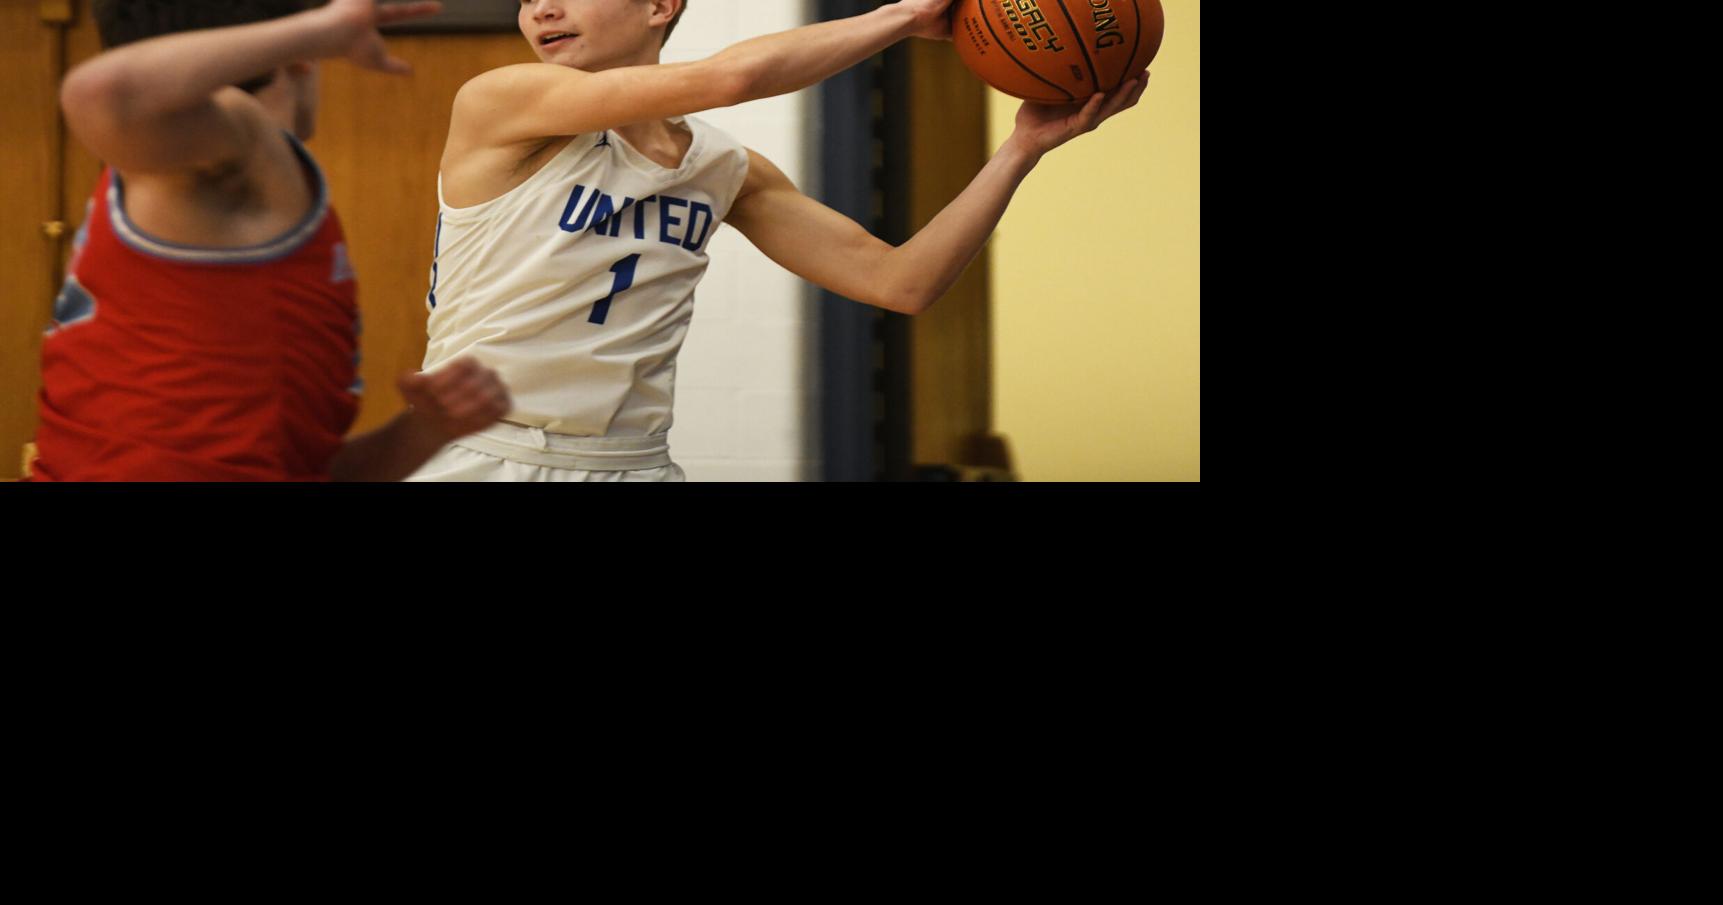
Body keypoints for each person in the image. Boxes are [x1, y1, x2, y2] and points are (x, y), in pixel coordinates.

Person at [407, 0, 1149, 482]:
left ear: (659, 6)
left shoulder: (724, 168)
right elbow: (733, 78)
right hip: (487, 455)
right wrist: (900, 17)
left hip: (633, 463)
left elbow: (901, 283)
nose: (542, 7)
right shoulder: (500, 102)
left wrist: (1020, 149)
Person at [30, 0, 512, 482]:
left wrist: (423, 432)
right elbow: (100, 91)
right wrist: (324, 27)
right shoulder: (238, 139)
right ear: (300, 56)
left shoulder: (168, 171)